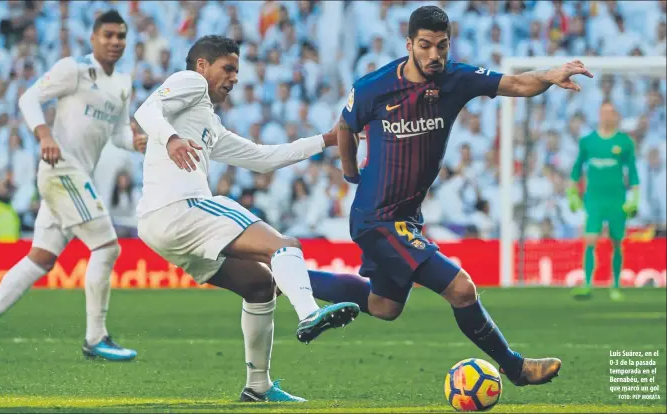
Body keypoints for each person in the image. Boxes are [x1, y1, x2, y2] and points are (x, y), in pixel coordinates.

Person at [300, 5, 594, 387]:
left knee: (383, 306)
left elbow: (518, 84)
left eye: (442, 46)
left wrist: (551, 75)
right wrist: (350, 172)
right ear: (409, 44)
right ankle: (516, 367)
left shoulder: (457, 79)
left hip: (404, 217)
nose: (434, 55)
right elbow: (344, 126)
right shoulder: (374, 86)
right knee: (462, 289)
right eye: (425, 46)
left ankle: (283, 278)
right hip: (377, 218)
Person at [133, 35, 360, 403]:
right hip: (180, 207)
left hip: (159, 225)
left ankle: (258, 387)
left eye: (237, 70)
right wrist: (172, 139)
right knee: (284, 246)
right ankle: (308, 313)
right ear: (203, 66)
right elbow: (145, 110)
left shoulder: (208, 123)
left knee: (259, 284)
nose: (234, 77)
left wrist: (325, 140)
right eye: (228, 68)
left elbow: (263, 158)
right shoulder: (190, 82)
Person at [0, 10, 146, 362]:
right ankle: (96, 337)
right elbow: (28, 99)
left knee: (40, 259)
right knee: (107, 248)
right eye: (108, 35)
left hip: (77, 178)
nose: (115, 42)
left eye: (121, 36)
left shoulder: (122, 82)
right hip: (61, 171)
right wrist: (43, 132)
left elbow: (117, 131)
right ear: (93, 38)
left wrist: (134, 139)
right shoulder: (73, 69)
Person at [567, 101, 639, 301]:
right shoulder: (588, 141)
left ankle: (615, 286)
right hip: (594, 200)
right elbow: (576, 170)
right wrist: (572, 193)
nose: (608, 116)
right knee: (590, 240)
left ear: (616, 116)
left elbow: (632, 173)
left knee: (617, 242)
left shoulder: (624, 142)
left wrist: (635, 198)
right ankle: (587, 284)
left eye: (611, 113)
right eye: (604, 112)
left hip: (617, 200)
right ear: (599, 115)